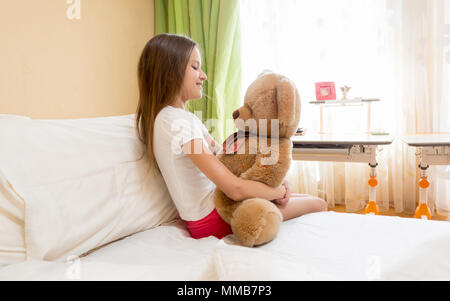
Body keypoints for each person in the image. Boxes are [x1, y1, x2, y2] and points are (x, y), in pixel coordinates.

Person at [135, 33, 327, 240]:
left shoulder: (177, 119)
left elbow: (223, 156)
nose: (203, 75)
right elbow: (234, 189)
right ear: (169, 71)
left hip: (218, 211)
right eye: (194, 67)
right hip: (217, 219)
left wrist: (276, 182)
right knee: (318, 204)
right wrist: (278, 192)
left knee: (307, 199)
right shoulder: (176, 123)